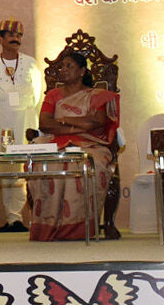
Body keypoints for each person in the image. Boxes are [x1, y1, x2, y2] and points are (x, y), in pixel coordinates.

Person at [28, 51, 118, 241]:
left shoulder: (96, 96)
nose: (63, 70)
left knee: (86, 164)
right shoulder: (53, 95)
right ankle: (48, 227)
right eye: (62, 66)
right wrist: (77, 126)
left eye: (69, 66)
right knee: (44, 164)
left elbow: (96, 123)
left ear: (82, 71)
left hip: (91, 143)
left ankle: (77, 229)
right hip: (55, 142)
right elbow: (44, 123)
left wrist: (63, 120)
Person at [0, 19, 44, 233]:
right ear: (1, 39)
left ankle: (23, 218)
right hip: (1, 120)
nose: (15, 39)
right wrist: (6, 106)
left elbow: (36, 93)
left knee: (24, 166)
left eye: (18, 36)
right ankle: (11, 217)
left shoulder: (31, 63)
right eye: (10, 36)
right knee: (5, 168)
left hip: (24, 119)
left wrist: (22, 111)